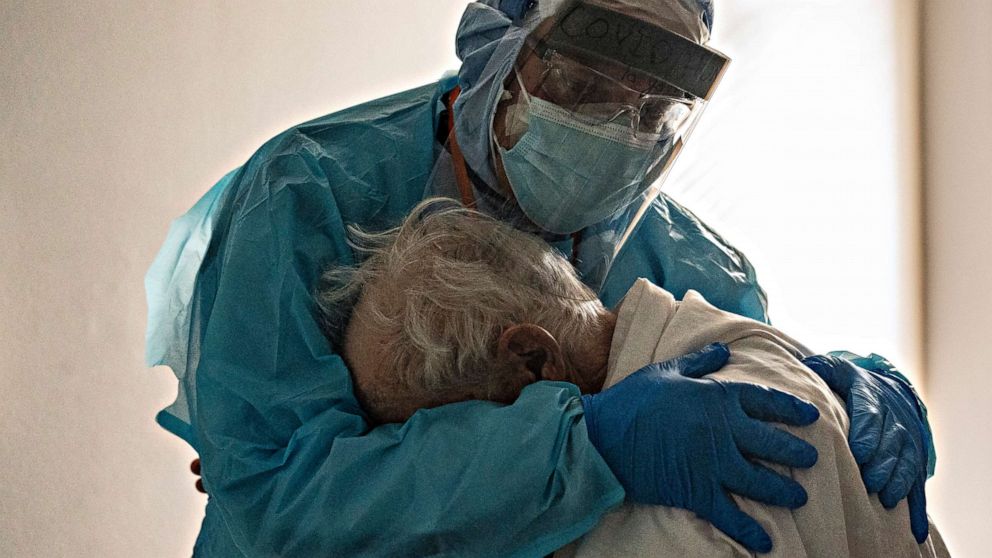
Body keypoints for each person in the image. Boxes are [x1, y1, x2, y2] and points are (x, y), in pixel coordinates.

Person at [148, 0, 935, 555]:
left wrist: (831, 385)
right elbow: (280, 499)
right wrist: (578, 446)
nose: (616, 129)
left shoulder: (692, 264)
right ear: (499, 43)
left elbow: (753, 417)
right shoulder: (309, 196)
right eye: (586, 86)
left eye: (654, 109)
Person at [319, 198, 949, 557]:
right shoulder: (720, 340)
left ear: (535, 361)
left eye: (433, 434)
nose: (441, 470)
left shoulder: (706, 484)